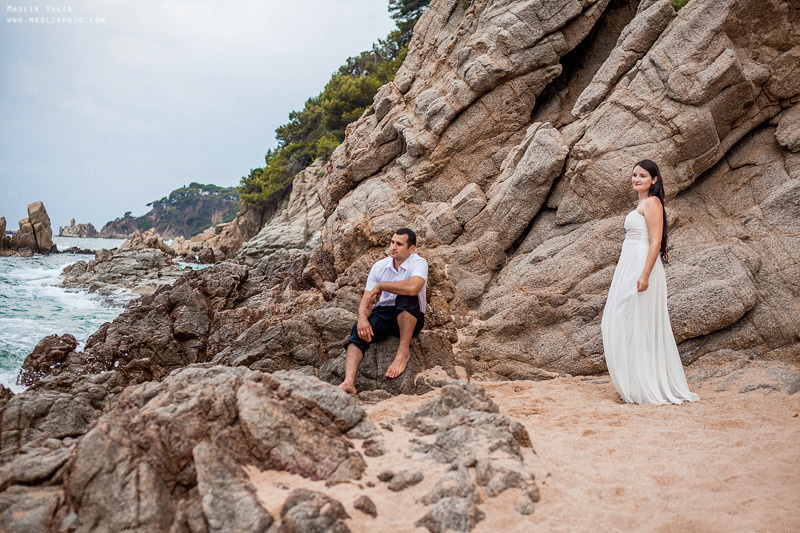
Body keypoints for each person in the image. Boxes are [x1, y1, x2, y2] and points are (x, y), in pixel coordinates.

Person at [601, 159, 699, 405]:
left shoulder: (653, 203)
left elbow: (655, 241)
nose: (637, 179)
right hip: (630, 264)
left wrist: (644, 274)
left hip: (642, 266)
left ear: (654, 180)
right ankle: (635, 382)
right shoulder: (642, 203)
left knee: (636, 321)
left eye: (643, 176)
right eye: (634, 175)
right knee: (624, 320)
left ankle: (643, 384)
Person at [338, 228, 428, 395]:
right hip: (385, 314)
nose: (393, 247)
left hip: (411, 315)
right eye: (392, 242)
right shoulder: (379, 266)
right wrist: (362, 319)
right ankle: (349, 382)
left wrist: (382, 286)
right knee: (358, 329)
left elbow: (413, 288)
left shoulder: (419, 263)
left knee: (405, 298)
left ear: (411, 248)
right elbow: (367, 300)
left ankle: (403, 352)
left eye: (399, 244)